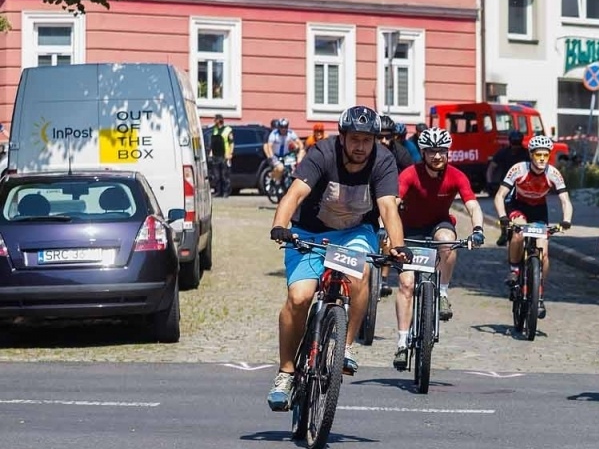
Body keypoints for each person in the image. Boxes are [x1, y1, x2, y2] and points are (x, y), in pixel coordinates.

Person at [265, 105, 407, 411]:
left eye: (366, 140)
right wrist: (280, 225)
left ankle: (346, 346)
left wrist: (397, 245)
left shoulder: (383, 161)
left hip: (353, 233)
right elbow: (295, 194)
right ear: (341, 137)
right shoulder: (322, 154)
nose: (360, 146)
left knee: (359, 274)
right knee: (299, 297)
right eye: (354, 139)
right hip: (309, 233)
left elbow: (387, 208)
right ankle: (286, 373)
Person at [391, 127, 486, 367]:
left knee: (448, 241)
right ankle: (402, 343)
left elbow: (473, 205)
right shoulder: (410, 174)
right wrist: (385, 227)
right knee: (406, 284)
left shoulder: (456, 175)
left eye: (442, 151)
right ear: (422, 153)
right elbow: (394, 203)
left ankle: (442, 292)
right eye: (431, 151)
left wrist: (477, 230)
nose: (437, 156)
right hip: (409, 230)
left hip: (437, 225)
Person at [494, 134, 573, 320]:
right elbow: (499, 196)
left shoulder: (553, 173)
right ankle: (514, 270)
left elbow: (565, 200)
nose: (542, 159)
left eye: (546, 155)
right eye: (538, 155)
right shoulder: (518, 169)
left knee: (543, 251)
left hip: (539, 210)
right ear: (531, 155)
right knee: (519, 233)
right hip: (518, 206)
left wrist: (566, 220)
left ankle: (539, 291)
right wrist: (503, 217)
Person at [207, 113, 233, 197]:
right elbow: (213, 143)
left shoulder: (228, 130)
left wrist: (230, 153)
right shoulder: (215, 130)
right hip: (216, 155)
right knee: (216, 175)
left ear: (219, 120)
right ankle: (218, 191)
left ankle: (226, 192)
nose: (214, 121)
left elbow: (231, 143)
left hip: (224, 155)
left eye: (215, 119)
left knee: (224, 175)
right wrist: (211, 153)